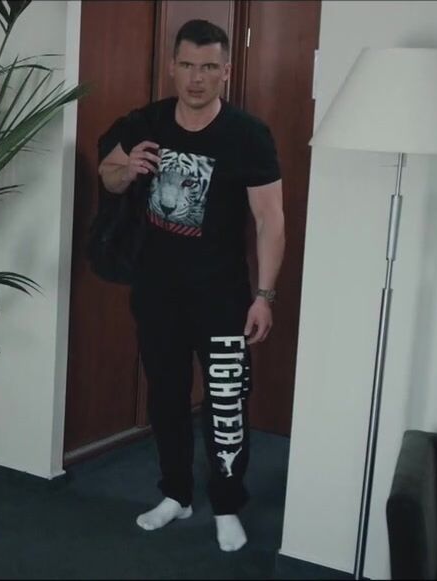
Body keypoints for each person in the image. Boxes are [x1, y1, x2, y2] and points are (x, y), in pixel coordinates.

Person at [96, 19, 285, 553]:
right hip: (157, 292)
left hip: (223, 296)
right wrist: (127, 169)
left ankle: (227, 504)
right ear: (172, 66)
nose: (196, 78)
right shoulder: (147, 121)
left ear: (226, 70)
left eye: (208, 67)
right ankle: (175, 493)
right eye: (187, 65)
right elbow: (108, 174)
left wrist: (264, 296)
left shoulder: (248, 135)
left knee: (226, 401)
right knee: (166, 397)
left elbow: (270, 219)